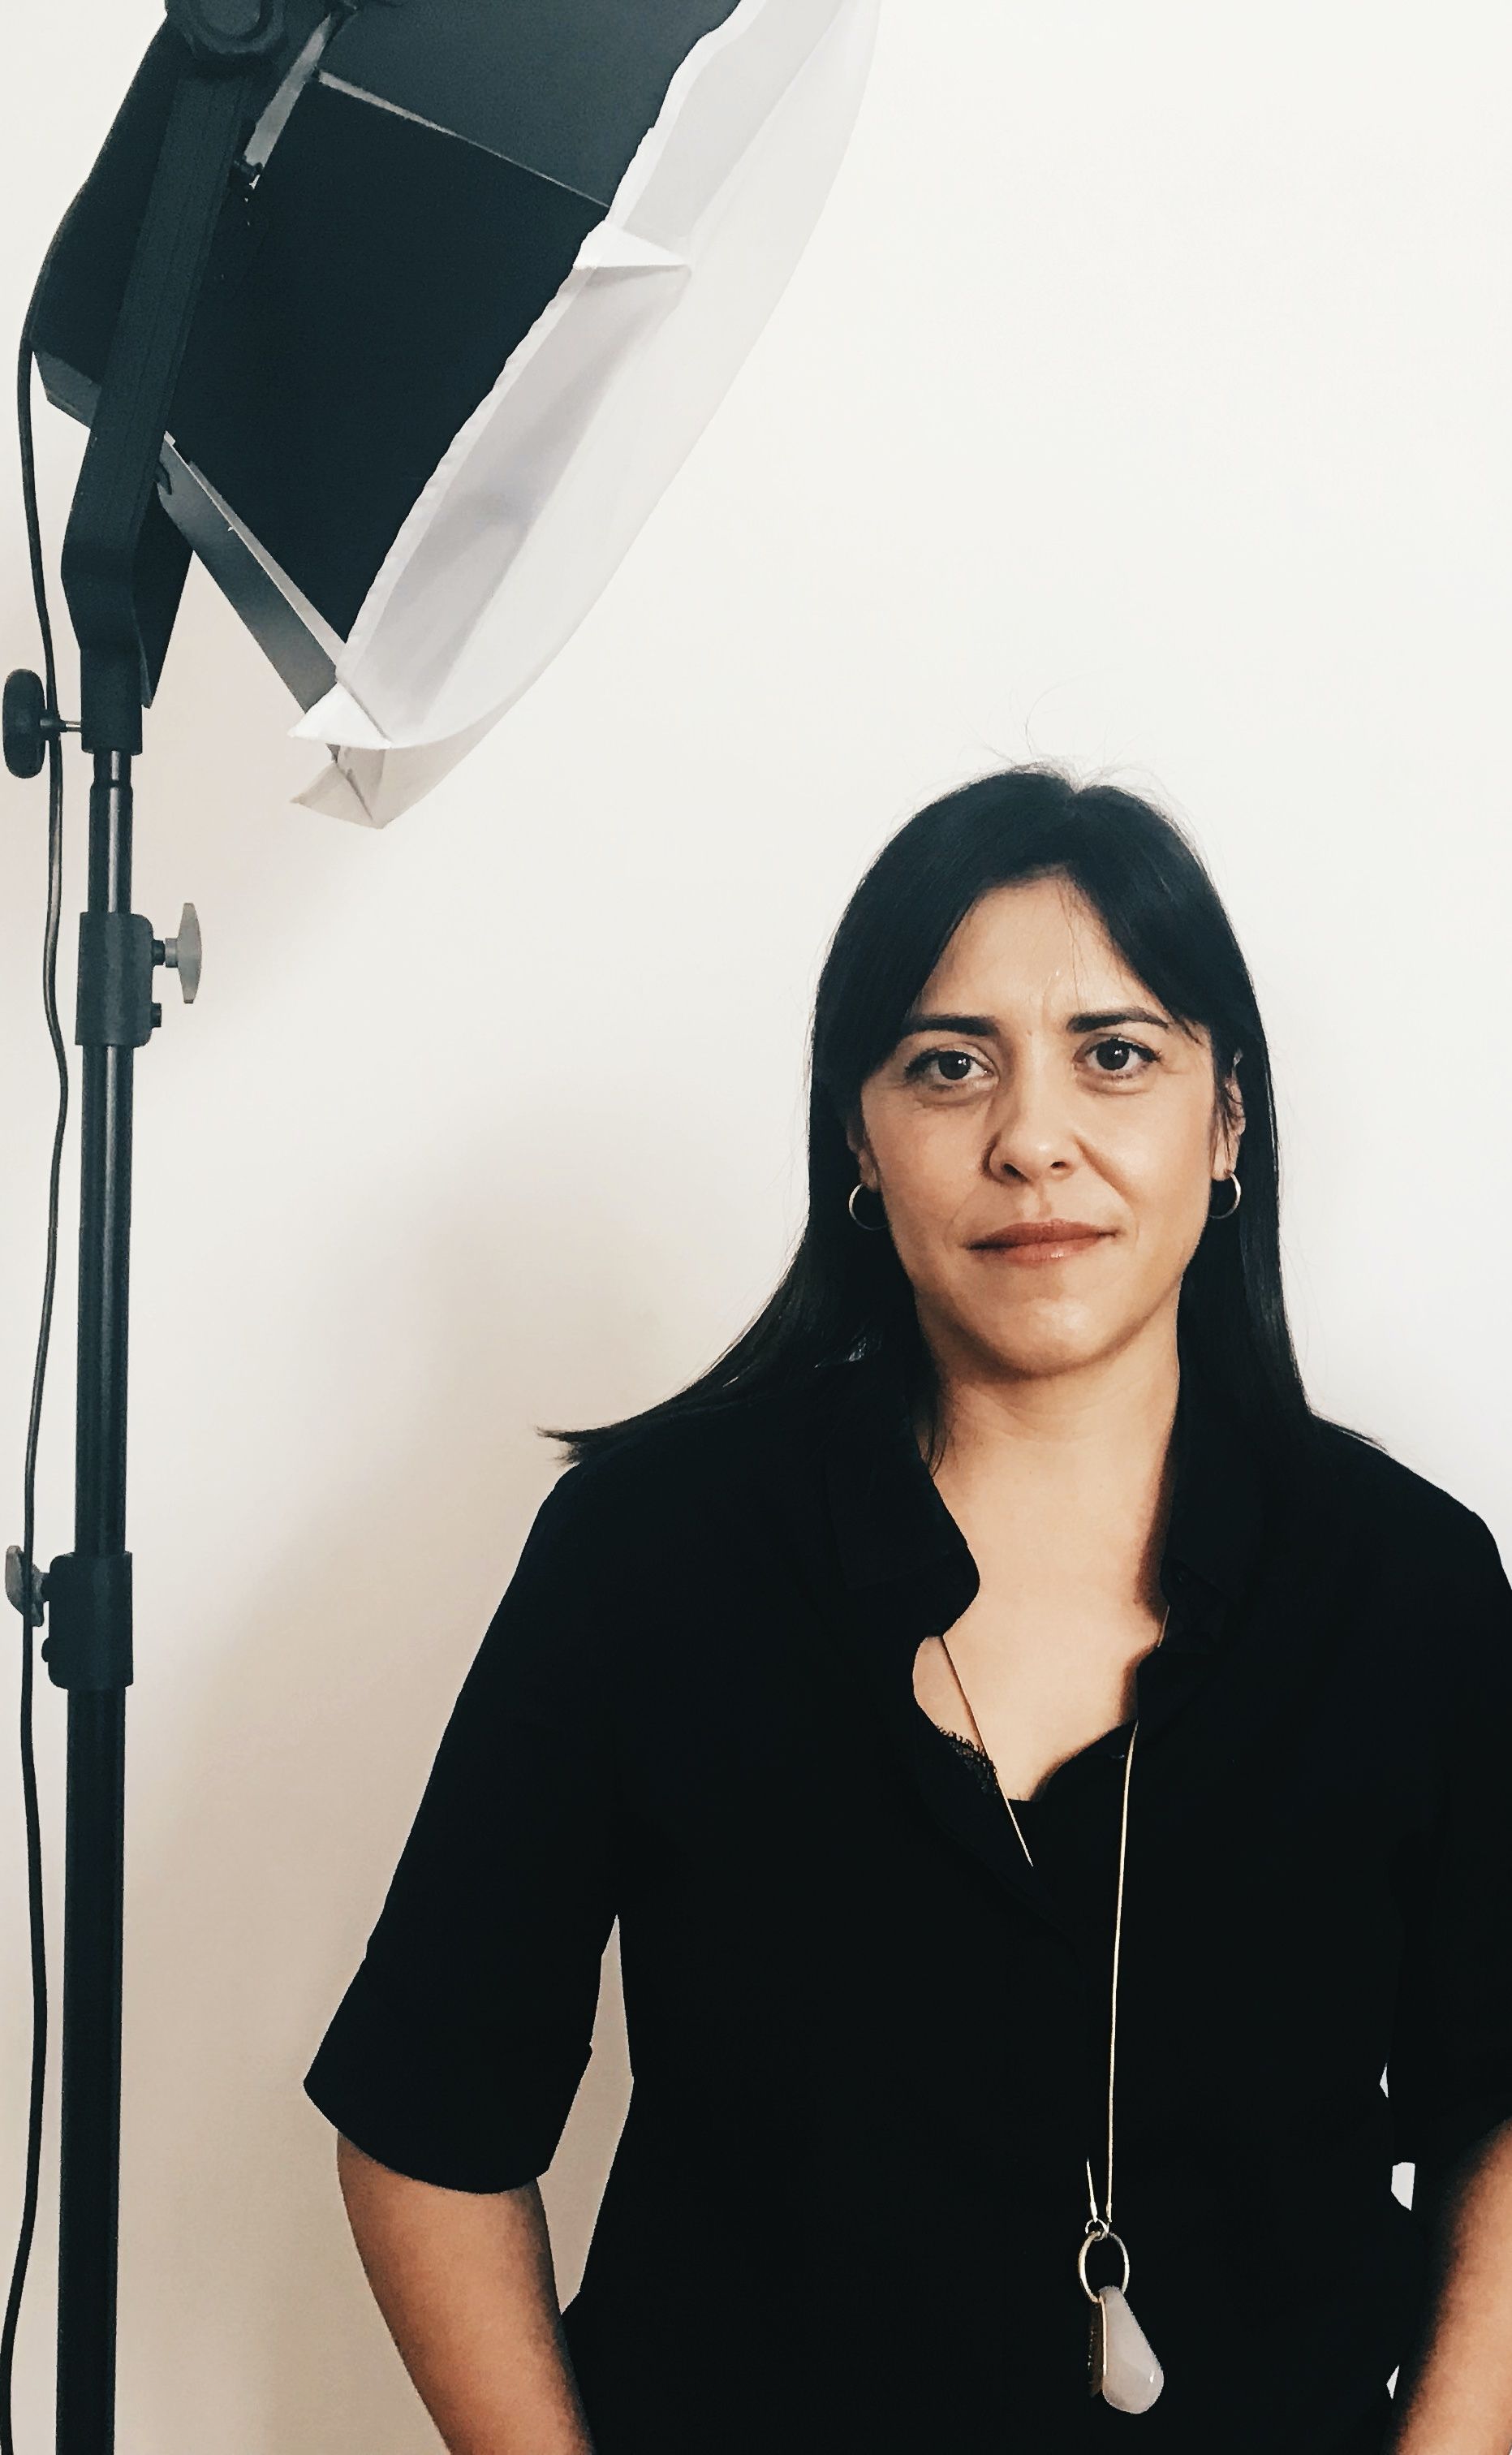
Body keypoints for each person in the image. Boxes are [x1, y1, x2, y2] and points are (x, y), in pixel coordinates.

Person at [303, 765, 1512, 2454]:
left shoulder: (1409, 1589)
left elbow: (1495, 2103)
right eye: (947, 1066)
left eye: (1115, 1053)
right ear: (856, 1144)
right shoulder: (648, 1561)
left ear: (1223, 1120)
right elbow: (426, 2123)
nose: (1031, 1136)